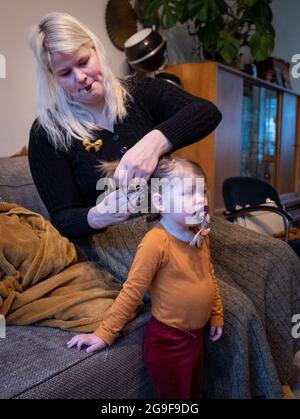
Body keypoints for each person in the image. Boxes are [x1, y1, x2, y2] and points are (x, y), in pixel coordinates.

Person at [28, 12, 222, 241]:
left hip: (177, 222)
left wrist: (153, 144)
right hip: (114, 240)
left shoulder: (140, 92)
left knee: (270, 257)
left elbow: (207, 112)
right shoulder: (47, 133)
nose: (79, 77)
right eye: (65, 73)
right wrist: (98, 216)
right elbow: (62, 219)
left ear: (95, 50)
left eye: (83, 62)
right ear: (53, 77)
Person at [67, 156, 224, 399]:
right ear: (160, 201)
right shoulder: (155, 242)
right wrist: (104, 333)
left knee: (195, 392)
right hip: (169, 342)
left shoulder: (199, 233)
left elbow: (207, 275)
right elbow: (132, 292)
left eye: (202, 191)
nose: (201, 200)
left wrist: (216, 313)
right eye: (189, 193)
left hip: (197, 337)